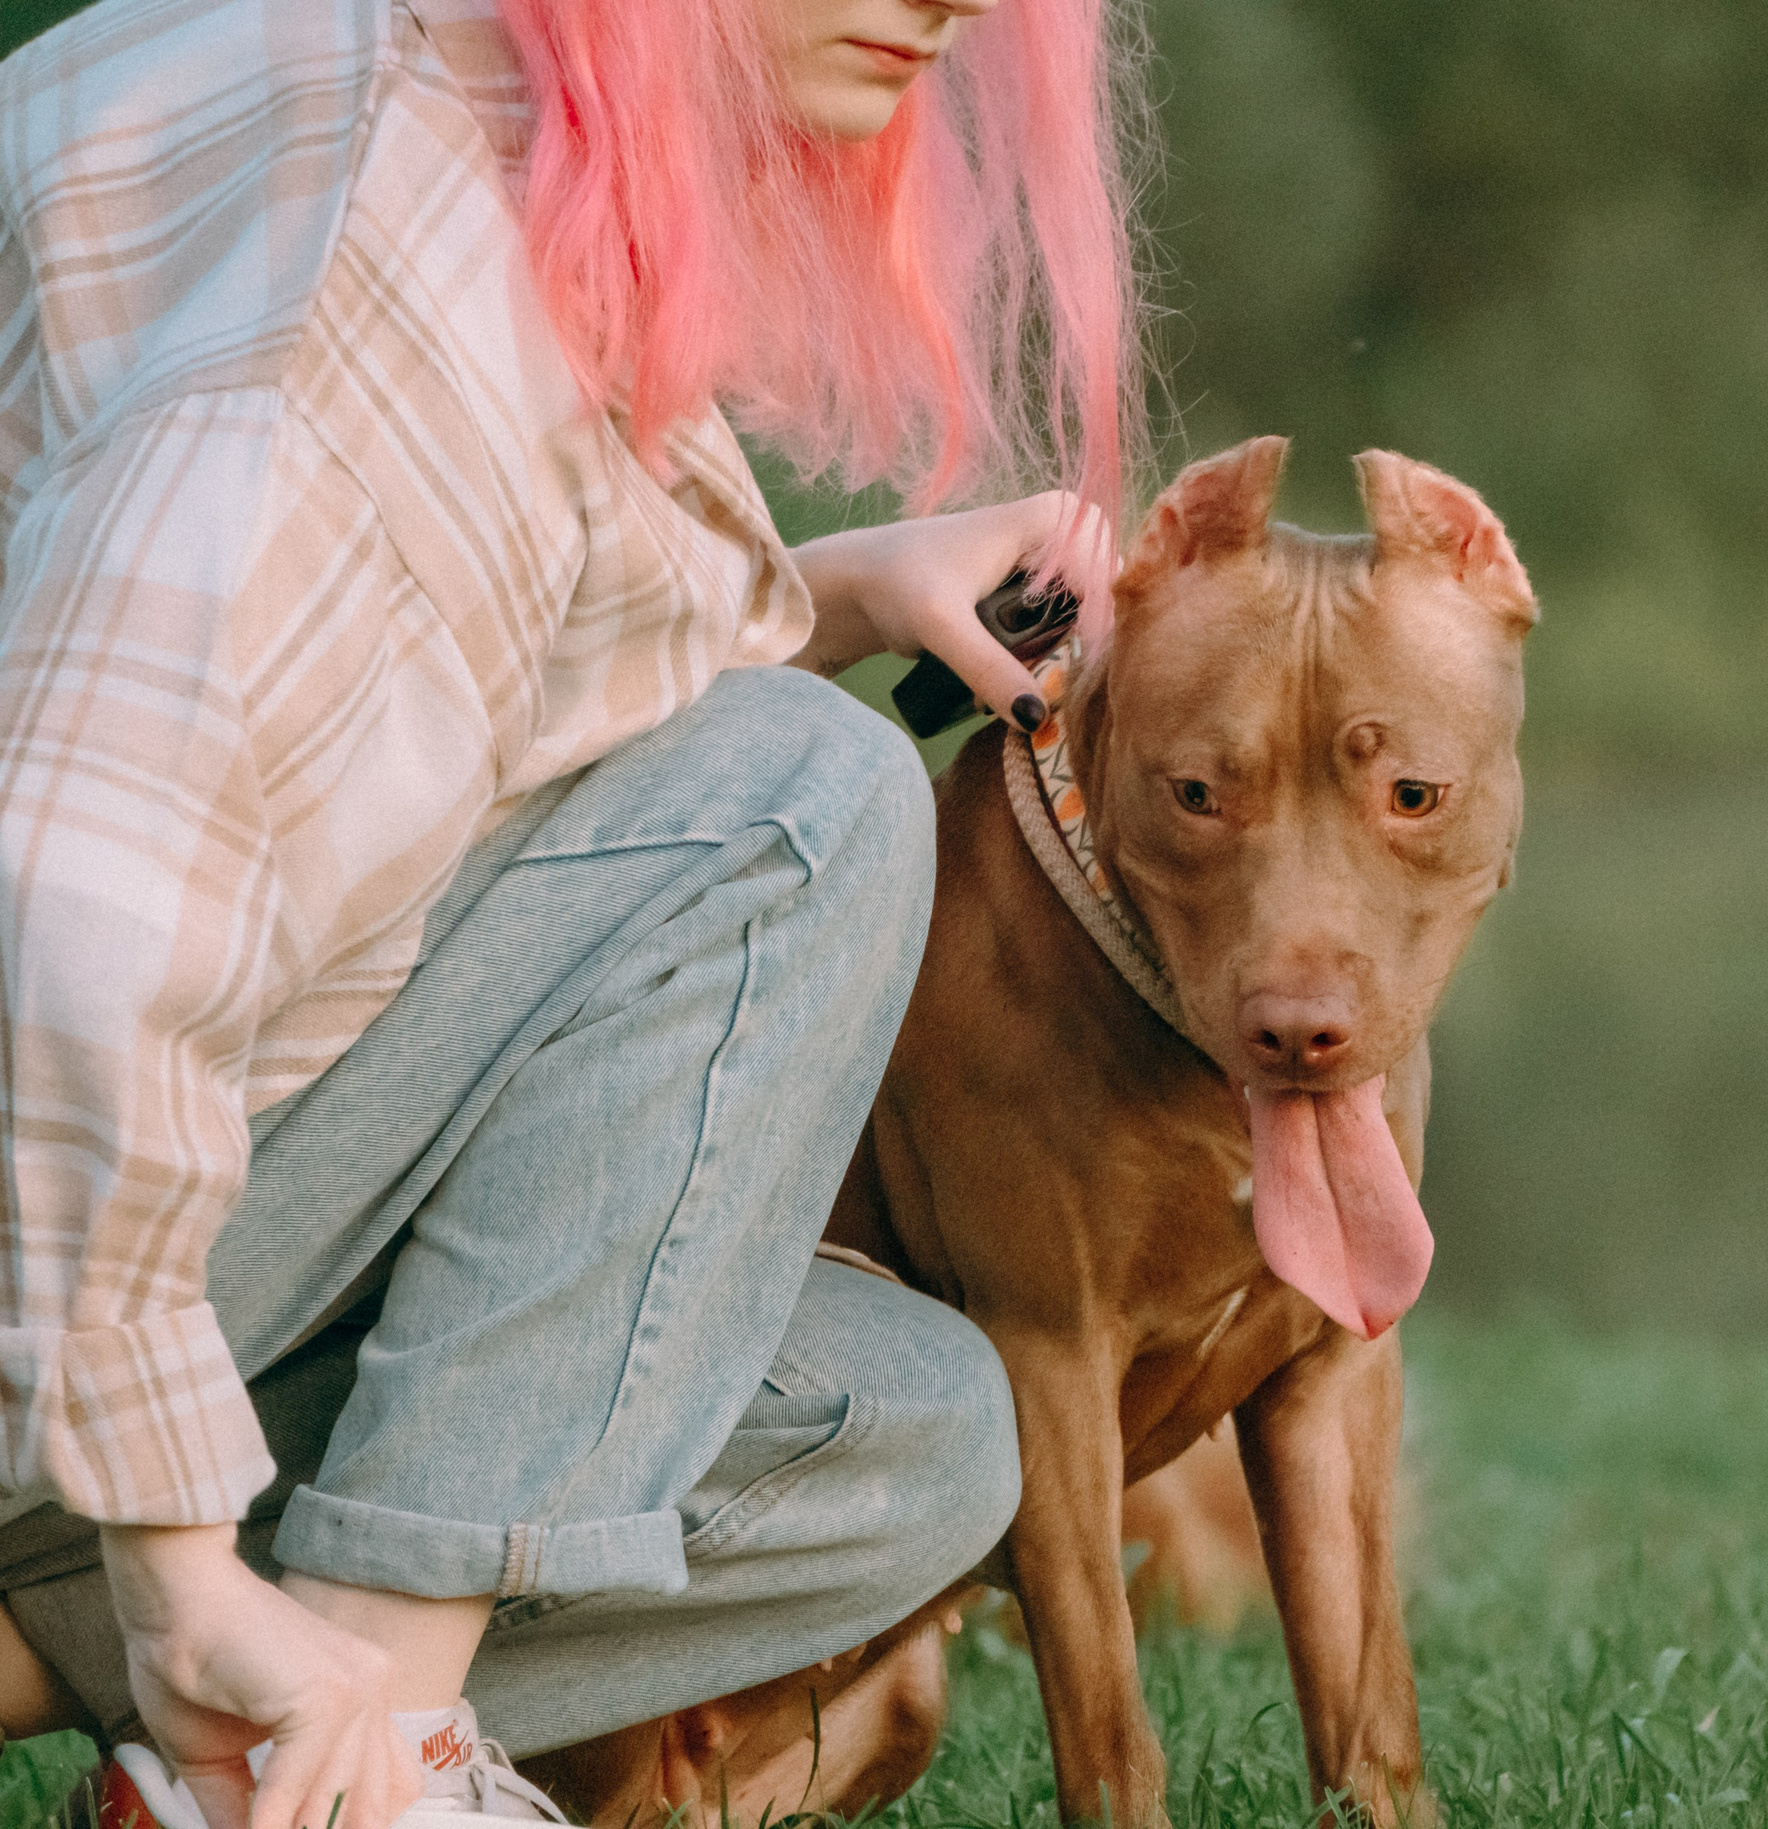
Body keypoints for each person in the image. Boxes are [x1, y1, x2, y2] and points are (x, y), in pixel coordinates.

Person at [0, 0, 1145, 1823]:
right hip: (50, 1235)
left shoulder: (401, 84)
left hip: (108, 1248)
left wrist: (838, 591)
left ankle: (214, 1746)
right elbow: (65, 927)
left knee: (907, 1429)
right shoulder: (369, 310)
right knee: (805, 793)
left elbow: (434, 664)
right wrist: (171, 1561)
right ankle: (357, 1752)